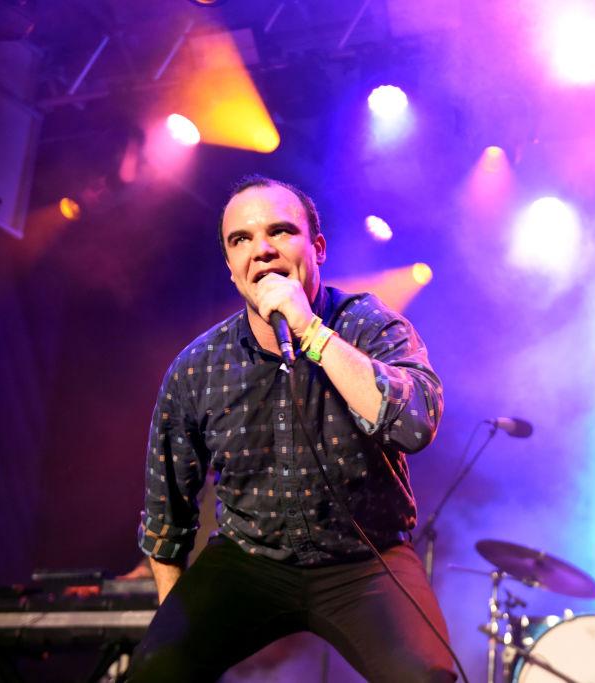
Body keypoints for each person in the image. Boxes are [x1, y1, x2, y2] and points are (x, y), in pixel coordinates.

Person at [127, 175, 455, 683]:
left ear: (316, 247)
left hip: (365, 556)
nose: (261, 250)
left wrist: (312, 333)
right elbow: (166, 512)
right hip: (248, 561)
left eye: (280, 232)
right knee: (154, 671)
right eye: (241, 240)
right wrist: (175, 629)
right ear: (232, 268)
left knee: (427, 675)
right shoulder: (196, 368)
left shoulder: (370, 325)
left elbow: (414, 425)